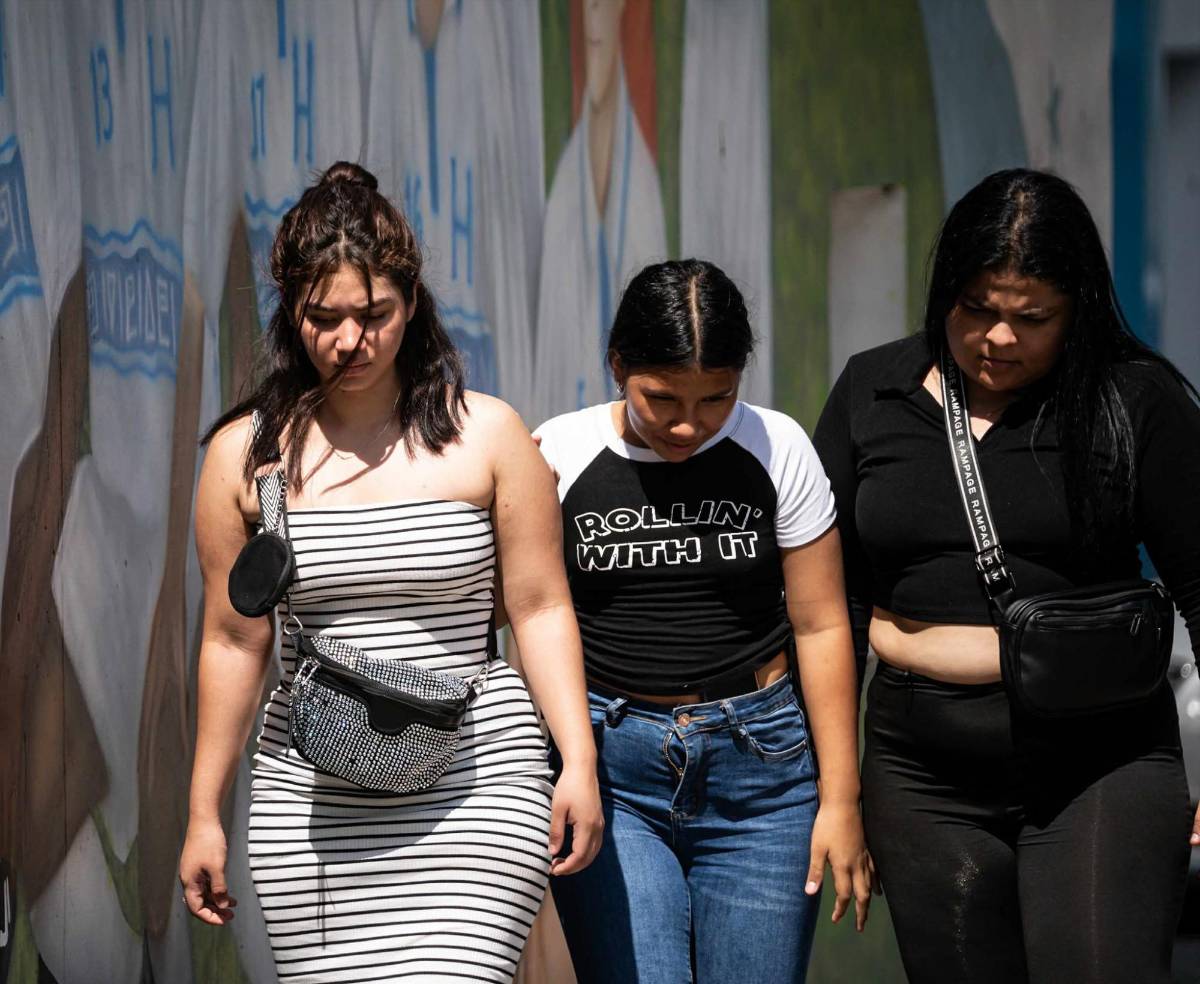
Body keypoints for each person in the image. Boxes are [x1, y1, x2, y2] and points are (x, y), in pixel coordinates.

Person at [178, 162, 602, 984]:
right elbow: (232, 642)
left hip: (477, 778)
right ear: (290, 310)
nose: (350, 340)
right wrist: (203, 813)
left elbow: (541, 607)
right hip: (313, 796)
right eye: (324, 318)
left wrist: (577, 761)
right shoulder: (248, 457)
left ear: (412, 302)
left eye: (374, 315)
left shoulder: (487, 436)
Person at [814, 168, 1200, 983]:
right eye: (977, 308)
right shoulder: (871, 391)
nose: (998, 338)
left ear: (1077, 309)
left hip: (1103, 762)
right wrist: (836, 795)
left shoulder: (1135, 399)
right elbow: (829, 609)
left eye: (1033, 318)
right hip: (922, 776)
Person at [534, 259, 872, 984]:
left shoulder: (778, 446)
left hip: (764, 779)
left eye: (717, 397)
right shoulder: (559, 452)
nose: (689, 423)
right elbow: (530, 612)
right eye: (661, 398)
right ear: (618, 366)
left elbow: (821, 626)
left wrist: (841, 799)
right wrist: (575, 763)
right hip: (610, 772)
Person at [534, 0, 667, 422]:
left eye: (603, 5)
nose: (593, 18)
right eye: (586, 6)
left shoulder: (641, 185)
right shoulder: (566, 187)